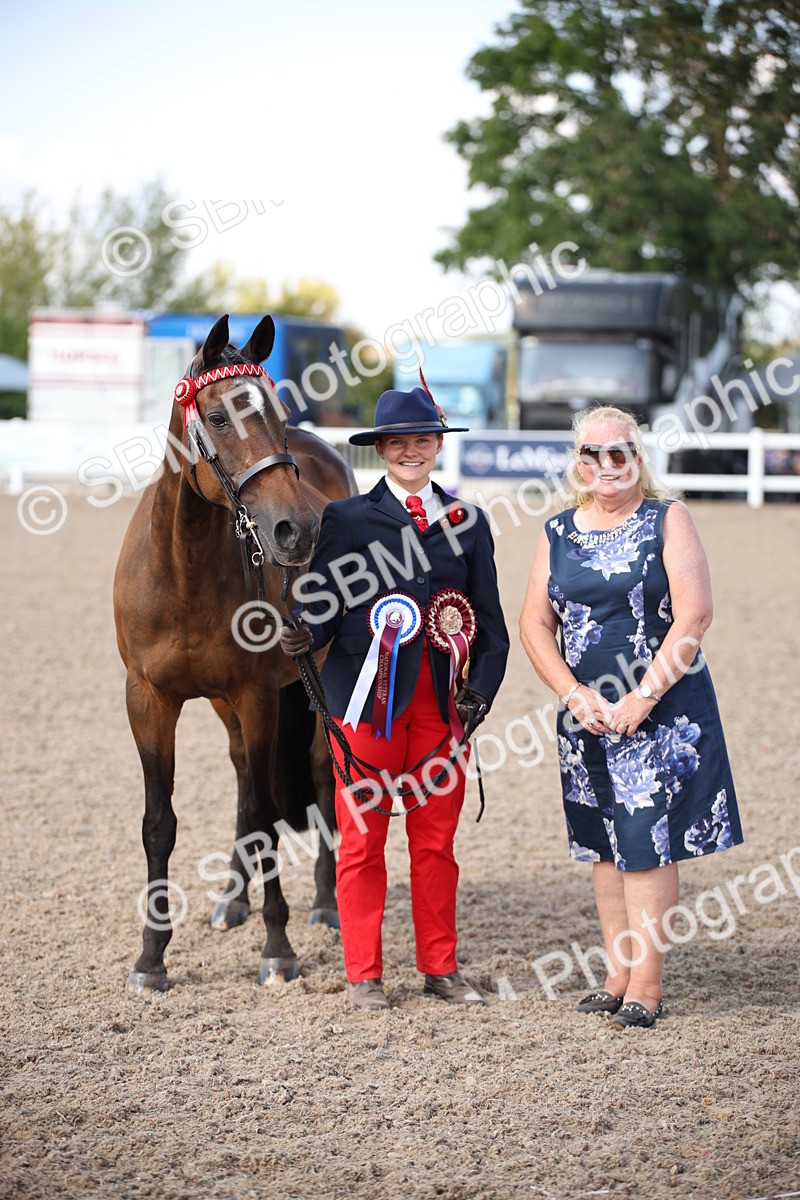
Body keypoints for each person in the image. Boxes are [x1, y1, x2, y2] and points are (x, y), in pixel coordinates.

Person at [280, 384, 510, 1011]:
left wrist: (480, 693)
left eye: (423, 440)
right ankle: (365, 974)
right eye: (399, 442)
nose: (412, 451)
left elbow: (489, 623)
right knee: (362, 842)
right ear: (381, 450)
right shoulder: (348, 519)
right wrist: (305, 630)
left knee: (436, 845)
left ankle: (440, 967)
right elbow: (324, 603)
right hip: (365, 703)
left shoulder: (467, 523)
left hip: (441, 707)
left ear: (437, 446)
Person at [519, 405, 743, 1029]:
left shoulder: (668, 518)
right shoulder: (556, 532)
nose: (606, 464)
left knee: (647, 845)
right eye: (592, 453)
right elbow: (534, 622)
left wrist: (643, 697)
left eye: (618, 452)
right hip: (586, 716)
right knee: (603, 844)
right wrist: (572, 694)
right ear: (577, 462)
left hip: (659, 709)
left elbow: (695, 614)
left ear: (638, 459)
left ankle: (646, 983)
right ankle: (617, 975)